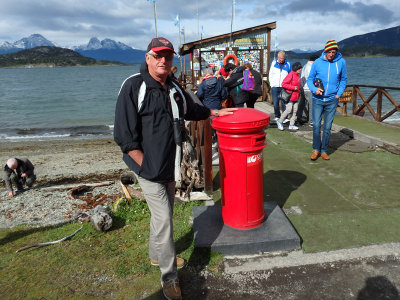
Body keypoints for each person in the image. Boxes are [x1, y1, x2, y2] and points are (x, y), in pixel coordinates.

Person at [113, 37, 236, 300]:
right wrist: (144, 164)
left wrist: (214, 114)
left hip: (170, 165)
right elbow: (124, 136)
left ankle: (156, 256)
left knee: (163, 215)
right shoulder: (134, 86)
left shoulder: (173, 87)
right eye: (158, 56)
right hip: (147, 169)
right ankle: (169, 279)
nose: (163, 60)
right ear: (148, 58)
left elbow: (191, 109)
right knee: (165, 219)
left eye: (167, 56)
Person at [307, 40, 347, 161]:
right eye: (329, 52)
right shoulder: (317, 63)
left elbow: (343, 79)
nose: (331, 54)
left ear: (336, 52)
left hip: (332, 100)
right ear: (325, 51)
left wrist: (338, 94)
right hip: (317, 99)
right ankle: (316, 149)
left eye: (333, 52)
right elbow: (310, 79)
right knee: (317, 125)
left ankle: (324, 150)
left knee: (328, 127)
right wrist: (314, 89)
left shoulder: (341, 62)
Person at [276, 62, 302, 131]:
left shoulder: (298, 75)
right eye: (299, 68)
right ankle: (280, 121)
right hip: (290, 96)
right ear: (296, 68)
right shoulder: (291, 74)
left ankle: (292, 124)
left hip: (296, 96)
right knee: (288, 110)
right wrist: (293, 87)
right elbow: (283, 84)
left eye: (300, 68)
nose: (300, 69)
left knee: (295, 111)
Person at [296, 54, 319, 125]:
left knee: (302, 104)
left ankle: (298, 118)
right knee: (312, 105)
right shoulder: (310, 67)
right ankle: (311, 121)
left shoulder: (305, 66)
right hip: (308, 89)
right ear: (314, 61)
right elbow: (311, 79)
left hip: (303, 88)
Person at [268, 51, 291, 120]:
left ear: (284, 58)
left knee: (284, 103)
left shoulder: (288, 64)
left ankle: (285, 117)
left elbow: (290, 75)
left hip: (284, 87)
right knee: (275, 103)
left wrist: (288, 85)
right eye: (280, 58)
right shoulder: (274, 63)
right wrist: (272, 84)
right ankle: (277, 116)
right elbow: (270, 74)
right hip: (275, 86)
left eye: (282, 58)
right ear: (277, 57)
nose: (281, 60)